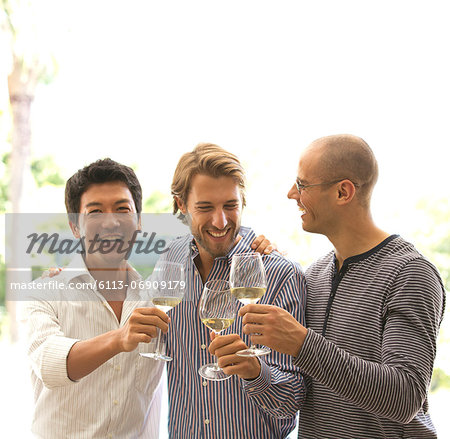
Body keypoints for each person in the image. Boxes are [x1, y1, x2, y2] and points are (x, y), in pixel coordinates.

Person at [240, 134, 446, 439]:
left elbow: (404, 397)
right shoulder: (315, 274)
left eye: (302, 185)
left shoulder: (411, 273)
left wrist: (301, 343)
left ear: (343, 192)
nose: (290, 194)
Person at [161, 143, 307, 438]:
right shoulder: (168, 261)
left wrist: (255, 372)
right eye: (205, 208)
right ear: (181, 205)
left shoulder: (279, 274)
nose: (221, 221)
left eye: (230, 205)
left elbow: (293, 400)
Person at [23, 159, 170, 438]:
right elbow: (49, 366)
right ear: (75, 227)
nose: (111, 221)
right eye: (95, 211)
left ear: (139, 222)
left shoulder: (156, 300)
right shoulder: (44, 292)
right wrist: (119, 338)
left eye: (122, 209)